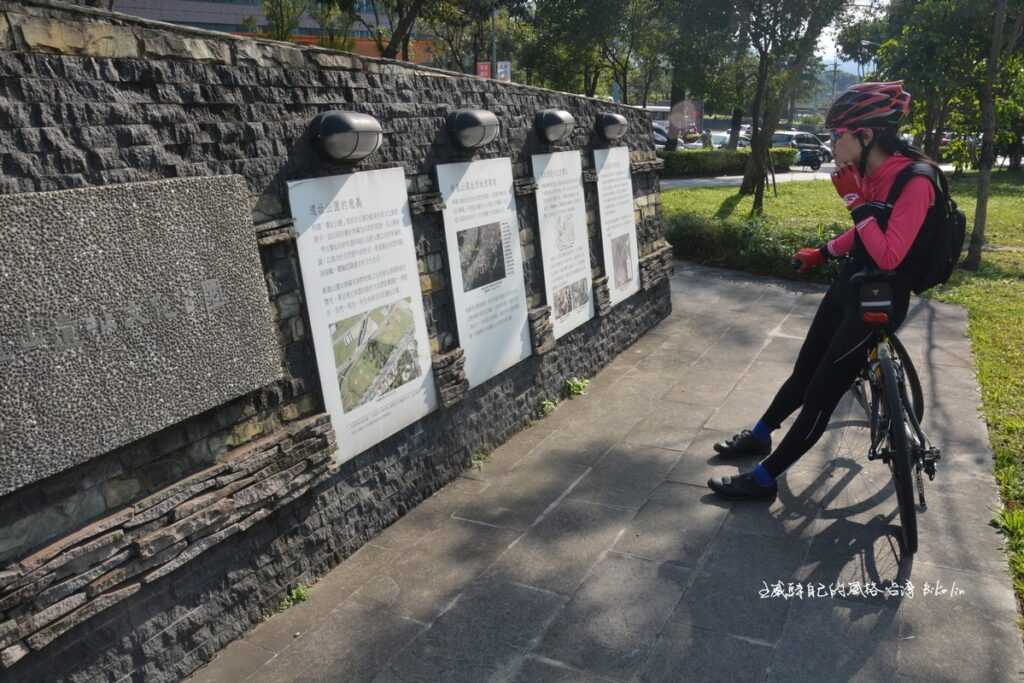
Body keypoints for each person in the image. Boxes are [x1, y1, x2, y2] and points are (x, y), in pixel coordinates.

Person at [707, 81, 941, 500]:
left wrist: (854, 199)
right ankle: (761, 434)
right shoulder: (874, 172)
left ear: (865, 136)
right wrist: (823, 252)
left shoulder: (916, 180)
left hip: (881, 299)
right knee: (805, 368)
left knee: (822, 393)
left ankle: (765, 479)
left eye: (838, 136)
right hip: (852, 283)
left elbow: (888, 254)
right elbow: (867, 231)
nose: (832, 144)